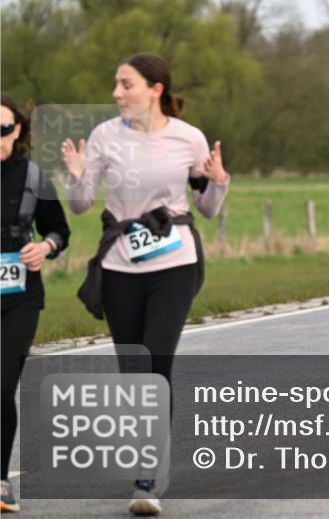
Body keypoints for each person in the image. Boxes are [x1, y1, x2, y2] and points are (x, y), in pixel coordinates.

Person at [61, 54, 230, 516]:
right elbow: (78, 206)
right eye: (116, 84)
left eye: (126, 84)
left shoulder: (188, 137)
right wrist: (77, 177)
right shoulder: (103, 137)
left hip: (174, 262)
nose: (117, 93)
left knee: (156, 363)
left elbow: (210, 208)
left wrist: (219, 182)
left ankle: (147, 478)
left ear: (155, 89)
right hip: (119, 267)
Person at [1, 95, 71, 515]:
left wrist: (45, 246)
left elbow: (60, 231)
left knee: (0, 385)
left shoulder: (33, 176)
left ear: (19, 132)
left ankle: (0, 481)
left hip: (20, 296)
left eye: (3, 130)